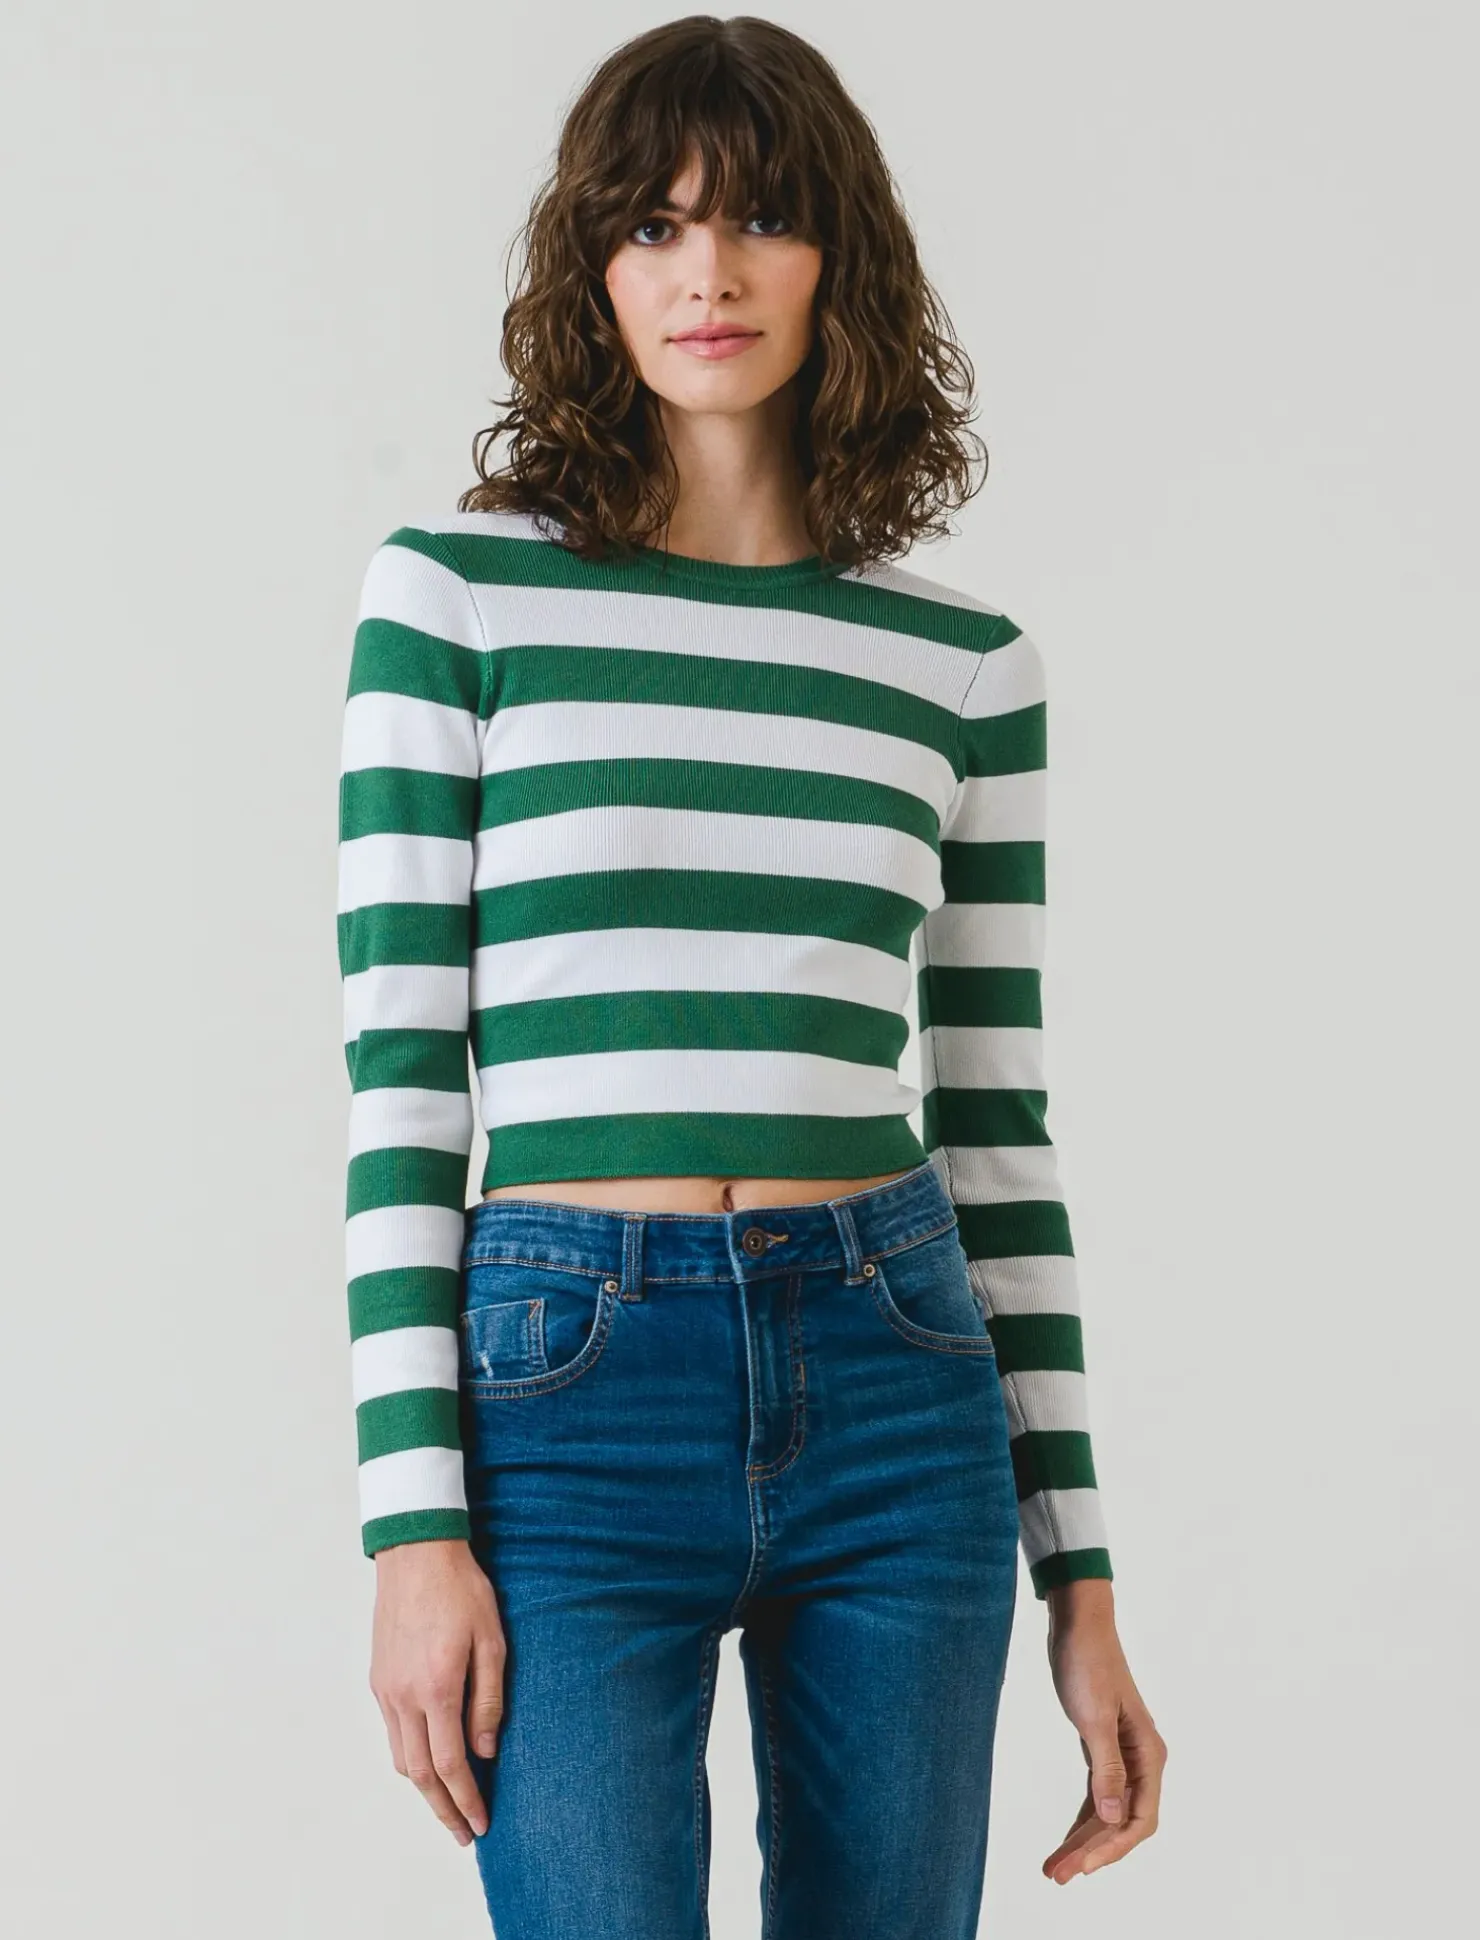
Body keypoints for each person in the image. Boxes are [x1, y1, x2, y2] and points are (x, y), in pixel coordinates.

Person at [336, 15, 1166, 1935]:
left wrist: (1085, 1582)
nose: (704, 272)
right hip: (566, 1393)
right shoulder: (459, 597)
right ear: (592, 268)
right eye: (651, 225)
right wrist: (412, 1529)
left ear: (838, 259)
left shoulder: (963, 665)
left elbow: (997, 1124)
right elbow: (401, 1087)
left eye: (760, 220)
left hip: (898, 1373)